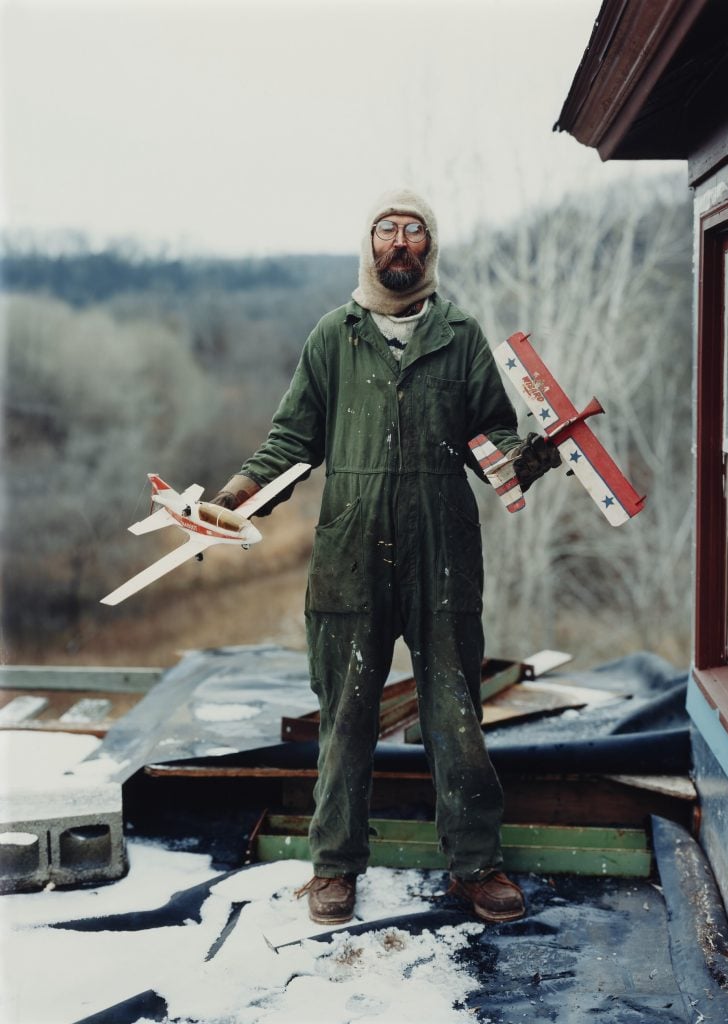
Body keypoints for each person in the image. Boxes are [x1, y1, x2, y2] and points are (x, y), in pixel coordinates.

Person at [211, 188, 559, 926]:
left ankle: (474, 864)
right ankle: (334, 867)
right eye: (387, 230)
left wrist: (529, 456)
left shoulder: (459, 335)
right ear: (368, 245)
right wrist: (239, 494)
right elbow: (289, 443)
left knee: (455, 713)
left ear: (430, 247)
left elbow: (492, 440)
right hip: (350, 558)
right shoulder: (332, 337)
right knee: (344, 716)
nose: (400, 242)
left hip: (442, 556)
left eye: (414, 231)